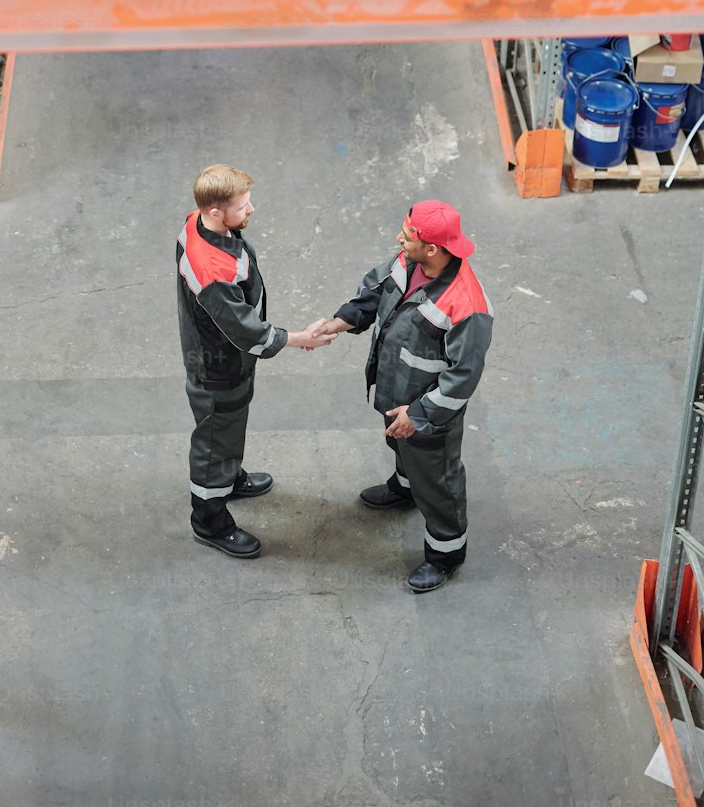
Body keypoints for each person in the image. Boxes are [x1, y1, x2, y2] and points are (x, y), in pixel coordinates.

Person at [317, 200, 493, 594]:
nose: (400, 237)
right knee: (404, 451)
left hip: (428, 413)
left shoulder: (467, 306)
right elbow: (373, 295)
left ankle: (446, 553)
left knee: (438, 479)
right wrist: (334, 324)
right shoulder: (406, 262)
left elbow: (462, 377)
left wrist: (420, 413)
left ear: (431, 247)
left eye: (407, 234)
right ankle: (405, 488)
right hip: (394, 390)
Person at [177, 164, 332, 559]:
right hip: (218, 366)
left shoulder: (198, 221)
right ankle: (209, 520)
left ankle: (228, 479)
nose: (252, 210)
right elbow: (245, 330)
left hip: (229, 359)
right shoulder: (211, 270)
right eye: (243, 206)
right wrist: (298, 338)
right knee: (214, 439)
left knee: (229, 427)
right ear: (215, 211)